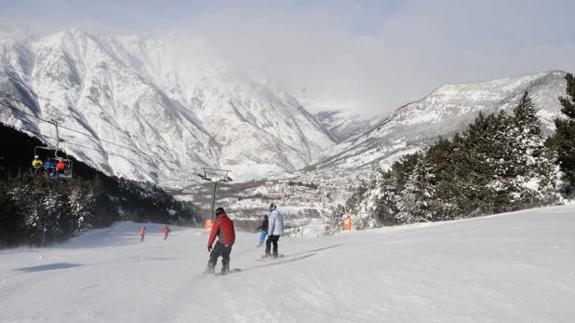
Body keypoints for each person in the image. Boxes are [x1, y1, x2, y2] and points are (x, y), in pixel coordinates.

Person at [206, 207, 235, 274]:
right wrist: (230, 243)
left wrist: (209, 244)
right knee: (226, 255)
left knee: (214, 255)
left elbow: (213, 233)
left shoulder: (219, 220)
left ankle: (210, 269)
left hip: (222, 242)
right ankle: (226, 268)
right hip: (230, 243)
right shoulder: (229, 220)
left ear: (217, 214)